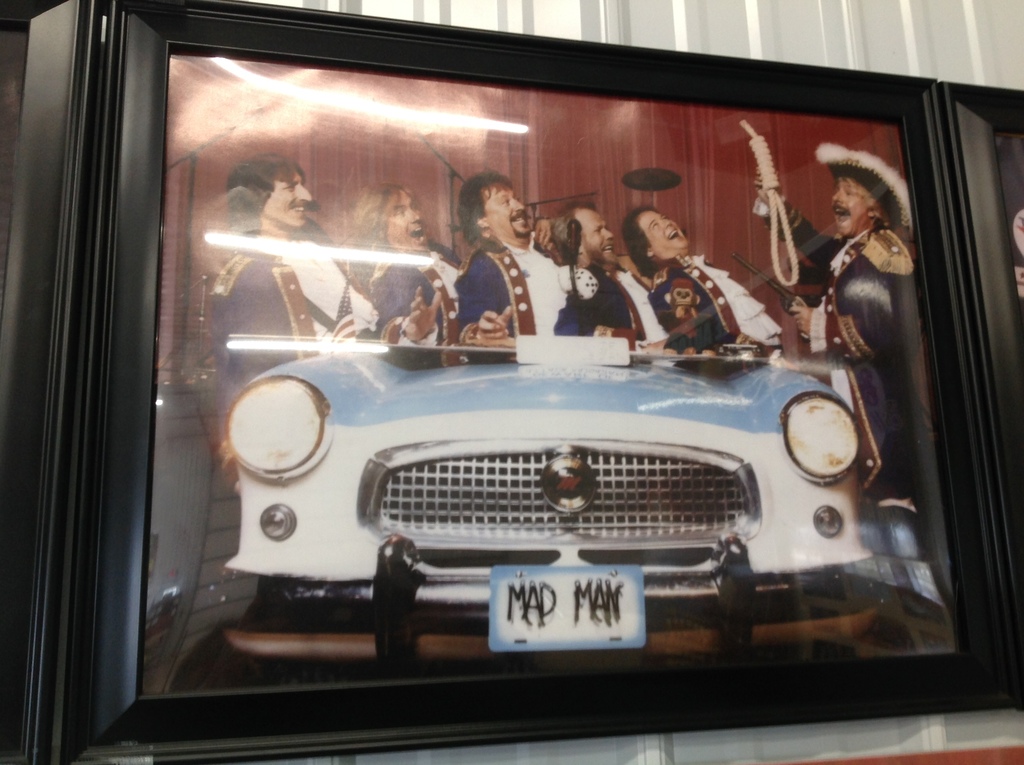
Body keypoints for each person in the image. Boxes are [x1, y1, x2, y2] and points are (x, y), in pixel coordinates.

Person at [757, 142, 918, 508]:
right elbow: (811, 242)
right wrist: (772, 203)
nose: (836, 198)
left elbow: (883, 330)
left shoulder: (881, 250)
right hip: (850, 379)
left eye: (849, 192)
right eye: (836, 190)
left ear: (874, 209)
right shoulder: (854, 247)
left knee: (883, 481)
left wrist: (819, 323)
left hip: (873, 386)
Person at [210, 153, 378, 426]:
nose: (306, 196)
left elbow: (363, 324)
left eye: (302, 185)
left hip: (356, 397)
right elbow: (251, 373)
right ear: (255, 198)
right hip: (303, 421)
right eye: (290, 188)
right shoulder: (250, 274)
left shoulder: (316, 252)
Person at [621, 205, 781, 355]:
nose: (667, 223)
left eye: (664, 218)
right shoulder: (667, 283)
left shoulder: (698, 267)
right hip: (748, 366)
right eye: (655, 226)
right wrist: (765, 353)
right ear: (648, 249)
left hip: (769, 356)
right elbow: (696, 338)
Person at [455, 170, 566, 345]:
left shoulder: (547, 248)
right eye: (506, 202)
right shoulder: (482, 266)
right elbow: (471, 328)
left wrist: (549, 223)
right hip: (534, 360)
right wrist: (485, 335)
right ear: (482, 220)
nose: (520, 206)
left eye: (517, 199)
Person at [351, 183, 460, 346]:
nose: (415, 216)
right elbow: (395, 333)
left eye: (414, 207)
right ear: (380, 228)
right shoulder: (394, 273)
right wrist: (415, 333)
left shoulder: (444, 254)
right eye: (400, 213)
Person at [550, 204, 669, 351]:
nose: (610, 235)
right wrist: (638, 347)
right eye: (598, 230)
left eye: (606, 228)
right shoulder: (589, 284)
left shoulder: (623, 276)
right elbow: (568, 332)